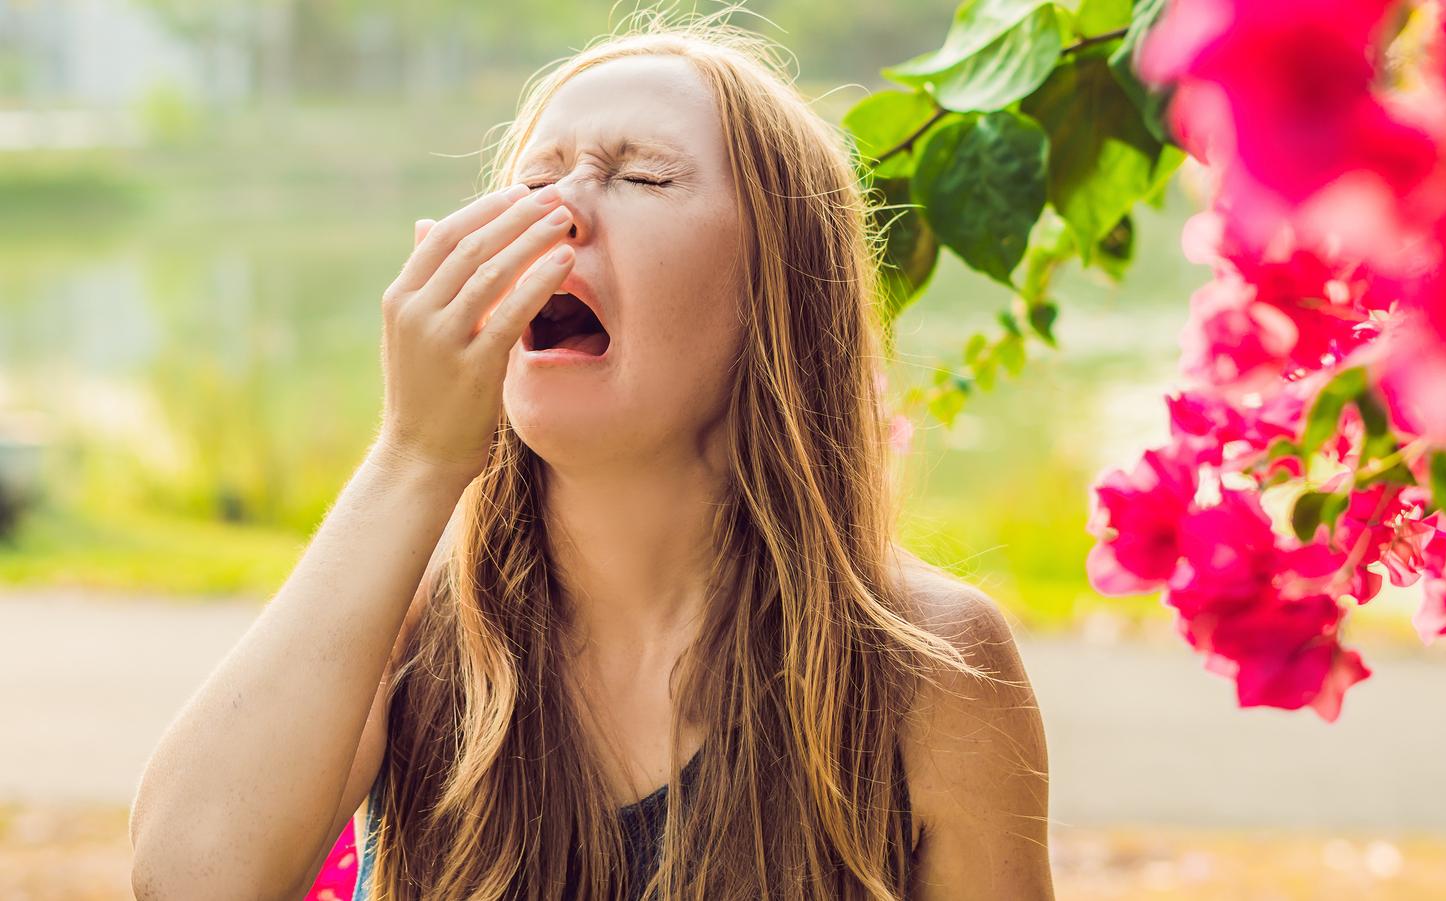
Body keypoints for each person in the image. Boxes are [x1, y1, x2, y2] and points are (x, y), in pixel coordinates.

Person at [129, 11, 1051, 900]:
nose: (554, 214)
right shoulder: (411, 626)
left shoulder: (926, 667)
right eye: (532, 181)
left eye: (643, 178)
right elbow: (191, 877)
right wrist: (415, 457)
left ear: (782, 293)